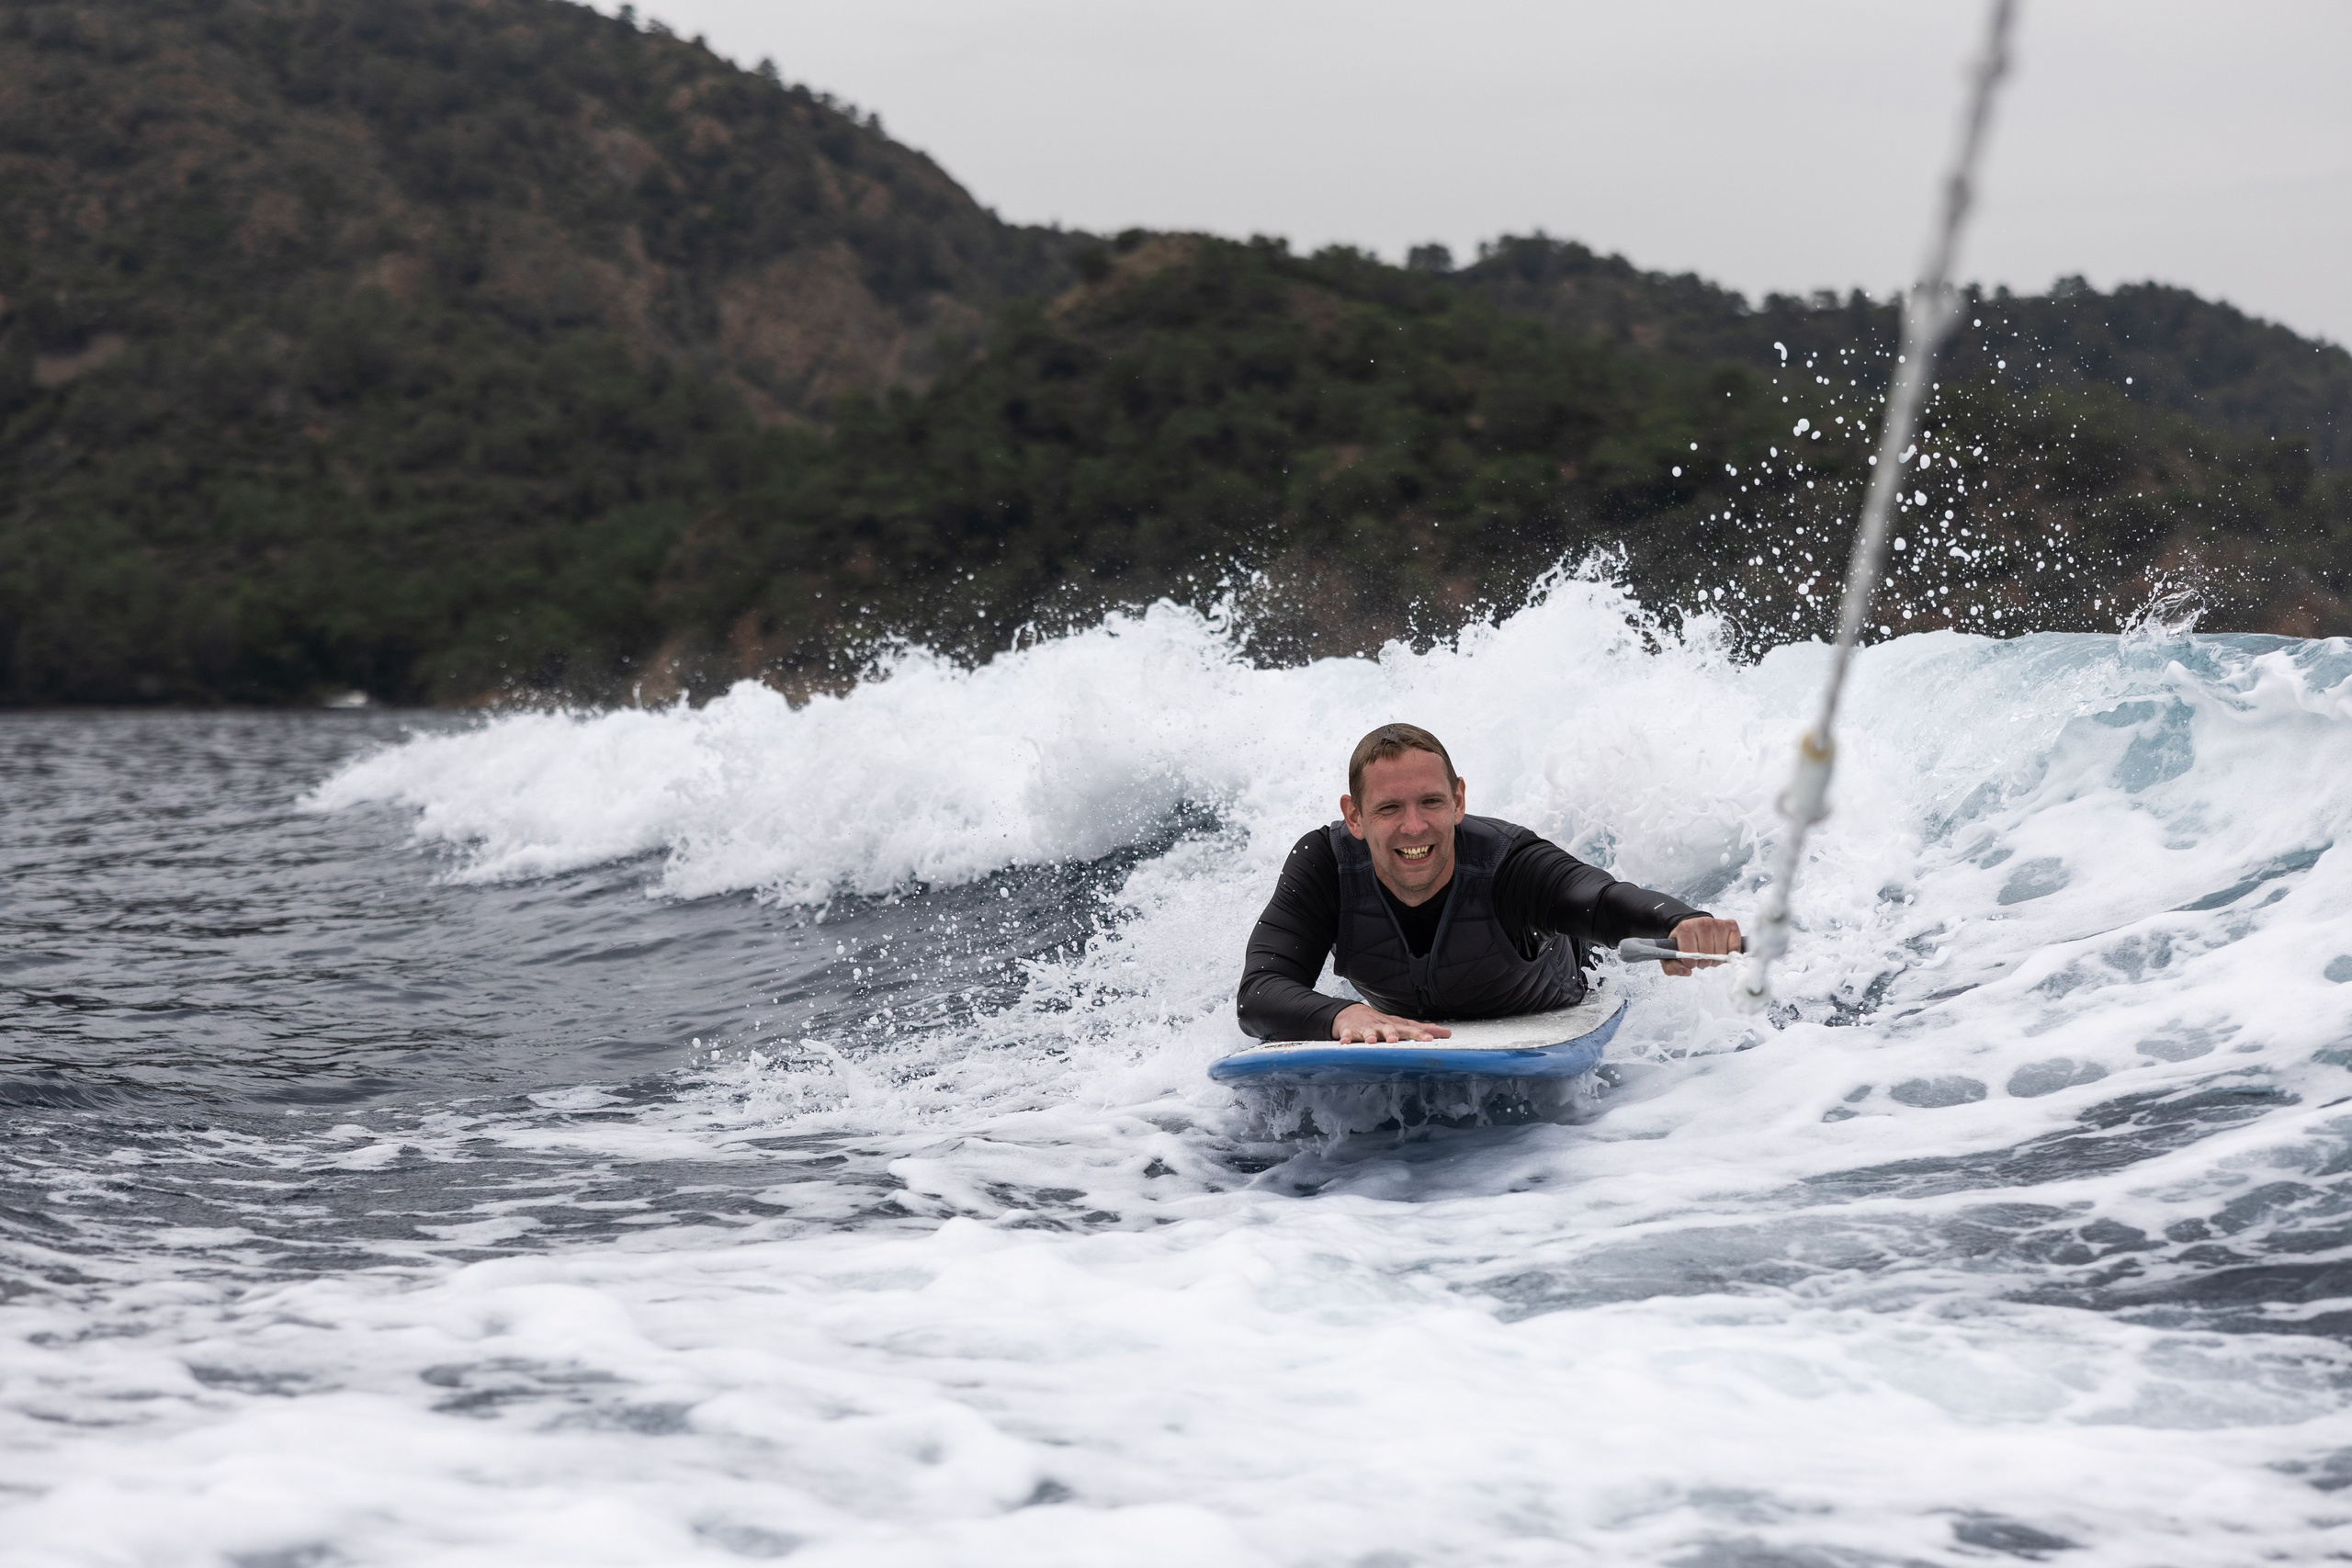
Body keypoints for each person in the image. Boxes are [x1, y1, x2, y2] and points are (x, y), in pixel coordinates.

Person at [1236, 723, 1745, 1043]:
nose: (1414, 827)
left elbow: (1603, 901)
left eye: (1431, 802)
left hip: (1553, 994)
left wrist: (1682, 922)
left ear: (1458, 800)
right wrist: (1343, 1015)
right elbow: (1259, 992)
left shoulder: (1508, 863)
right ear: (1354, 815)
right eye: (1389, 808)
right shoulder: (1324, 864)